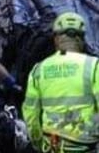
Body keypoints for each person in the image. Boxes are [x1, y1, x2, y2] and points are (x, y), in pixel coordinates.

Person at [23, 12, 99, 153]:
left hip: (52, 146)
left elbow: (31, 114)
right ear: (81, 39)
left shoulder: (39, 69)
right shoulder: (93, 66)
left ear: (56, 40)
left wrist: (38, 142)